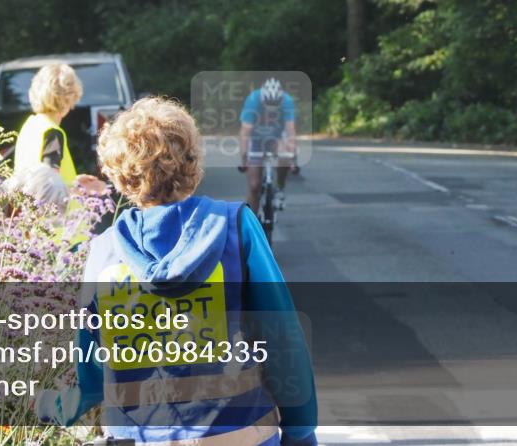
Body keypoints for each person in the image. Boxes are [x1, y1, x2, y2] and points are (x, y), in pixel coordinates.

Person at [35, 97, 318, 446]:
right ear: (191, 161)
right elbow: (281, 338)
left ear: (120, 174)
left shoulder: (104, 252)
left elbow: (91, 371)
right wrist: (301, 430)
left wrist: (56, 406)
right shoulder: (235, 227)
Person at [14, 62, 106, 195]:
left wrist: (74, 182)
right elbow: (50, 190)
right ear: (71, 97)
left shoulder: (30, 126)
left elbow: (37, 179)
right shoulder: (52, 133)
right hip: (57, 215)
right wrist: (86, 190)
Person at [238, 78, 296, 215]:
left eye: (274, 105)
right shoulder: (253, 100)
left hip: (276, 137)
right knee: (254, 186)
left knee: (285, 156)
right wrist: (244, 158)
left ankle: (280, 188)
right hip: (256, 139)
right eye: (268, 105)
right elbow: (245, 131)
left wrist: (292, 158)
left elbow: (291, 130)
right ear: (262, 100)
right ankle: (252, 224)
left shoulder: (287, 101)